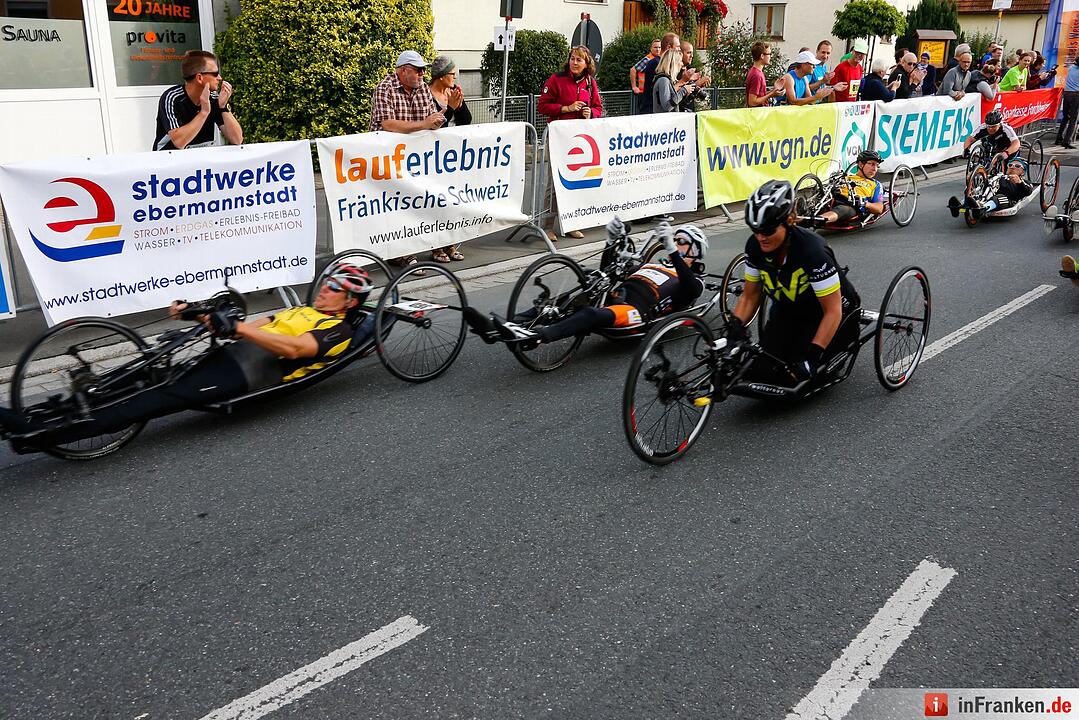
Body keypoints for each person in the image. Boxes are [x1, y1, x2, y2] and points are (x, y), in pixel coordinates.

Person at [0, 266, 373, 449]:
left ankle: (37, 435)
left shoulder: (337, 330)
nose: (325, 289)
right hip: (232, 355)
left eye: (335, 288)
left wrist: (239, 329)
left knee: (148, 400)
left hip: (248, 375)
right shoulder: (302, 310)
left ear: (350, 302)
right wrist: (200, 314)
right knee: (139, 377)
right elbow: (254, 324)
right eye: (327, 282)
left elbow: (294, 350)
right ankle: (40, 414)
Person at [465, 219, 707, 347]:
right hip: (615, 297)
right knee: (568, 298)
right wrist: (610, 241)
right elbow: (608, 273)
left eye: (682, 241)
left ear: (695, 250)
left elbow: (690, 289)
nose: (675, 243)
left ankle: (538, 336)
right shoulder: (653, 265)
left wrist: (673, 251)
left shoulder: (694, 280)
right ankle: (501, 327)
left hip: (636, 313)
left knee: (592, 313)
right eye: (675, 239)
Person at [727, 180, 860, 386]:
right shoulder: (754, 246)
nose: (761, 237)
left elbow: (833, 310)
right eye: (755, 229)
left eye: (768, 230)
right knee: (757, 371)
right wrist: (734, 329)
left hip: (826, 313)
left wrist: (813, 356)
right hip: (789, 311)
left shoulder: (811, 250)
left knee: (798, 376)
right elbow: (750, 296)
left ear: (789, 221)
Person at [369, 50, 446, 271]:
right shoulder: (384, 88)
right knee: (394, 203)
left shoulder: (421, 87)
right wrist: (424, 124)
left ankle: (418, 246)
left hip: (413, 157)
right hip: (385, 157)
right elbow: (388, 124)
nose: (423, 74)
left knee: (416, 200)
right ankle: (400, 253)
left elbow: (429, 117)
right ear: (403, 71)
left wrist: (438, 119)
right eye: (419, 70)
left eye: (424, 70)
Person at [537, 46, 603, 241]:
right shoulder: (556, 79)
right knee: (554, 182)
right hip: (558, 138)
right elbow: (542, 106)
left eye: (579, 60)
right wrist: (566, 108)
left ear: (586, 64)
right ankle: (547, 225)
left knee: (575, 181)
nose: (575, 63)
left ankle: (571, 223)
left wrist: (591, 113)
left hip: (580, 141)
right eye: (572, 59)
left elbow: (598, 107)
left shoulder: (590, 83)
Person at [427, 55, 471, 264]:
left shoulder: (451, 92)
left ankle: (450, 242)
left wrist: (459, 105)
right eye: (453, 74)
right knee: (436, 201)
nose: (456, 77)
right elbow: (435, 125)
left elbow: (466, 121)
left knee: (452, 200)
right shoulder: (427, 95)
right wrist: (451, 108)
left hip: (451, 156)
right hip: (431, 155)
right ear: (442, 76)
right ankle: (435, 246)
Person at [153, 50, 243, 151]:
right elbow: (179, 142)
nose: (219, 78)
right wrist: (204, 112)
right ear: (199, 78)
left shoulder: (214, 98)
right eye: (215, 73)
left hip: (200, 162)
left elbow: (237, 139)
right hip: (169, 161)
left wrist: (223, 107)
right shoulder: (172, 98)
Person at [947, 157, 1032, 221]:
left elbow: (1028, 191)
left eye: (1017, 166)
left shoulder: (1024, 182)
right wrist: (972, 177)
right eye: (1010, 165)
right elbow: (985, 181)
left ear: (1023, 172)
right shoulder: (999, 176)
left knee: (998, 198)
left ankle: (983, 208)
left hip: (1007, 198)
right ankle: (959, 206)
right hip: (990, 192)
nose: (1012, 167)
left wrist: (1020, 182)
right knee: (977, 191)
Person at [814, 149, 886, 225]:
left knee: (843, 209)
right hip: (832, 198)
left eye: (877, 166)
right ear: (861, 164)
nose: (874, 169)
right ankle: (801, 218)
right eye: (871, 164)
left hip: (850, 205)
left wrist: (865, 204)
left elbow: (879, 208)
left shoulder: (876, 184)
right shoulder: (847, 177)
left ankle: (813, 221)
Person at [640, 32, 680, 114]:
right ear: (669, 47)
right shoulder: (656, 64)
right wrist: (683, 85)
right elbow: (663, 93)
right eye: (678, 46)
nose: (679, 49)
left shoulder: (658, 63)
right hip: (651, 111)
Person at [746, 41, 784, 107]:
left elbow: (759, 95)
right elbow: (752, 102)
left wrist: (773, 92)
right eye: (769, 54)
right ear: (762, 56)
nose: (770, 57)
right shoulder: (757, 75)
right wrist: (771, 94)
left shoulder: (756, 72)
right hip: (758, 115)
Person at [677, 41, 711, 112]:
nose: (691, 56)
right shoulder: (676, 72)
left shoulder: (690, 70)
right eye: (688, 53)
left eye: (692, 53)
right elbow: (675, 99)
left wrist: (698, 88)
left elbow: (688, 98)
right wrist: (696, 84)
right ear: (680, 54)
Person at [631, 38, 662, 113]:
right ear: (651, 48)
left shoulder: (659, 59)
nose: (658, 49)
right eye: (655, 47)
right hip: (643, 93)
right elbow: (633, 69)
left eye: (659, 47)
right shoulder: (647, 60)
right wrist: (634, 86)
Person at [1056, 55, 1079, 148]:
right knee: (1073, 119)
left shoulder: (1071, 68)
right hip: (1076, 95)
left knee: (1066, 117)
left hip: (1067, 93)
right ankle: (1066, 141)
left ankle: (1059, 137)